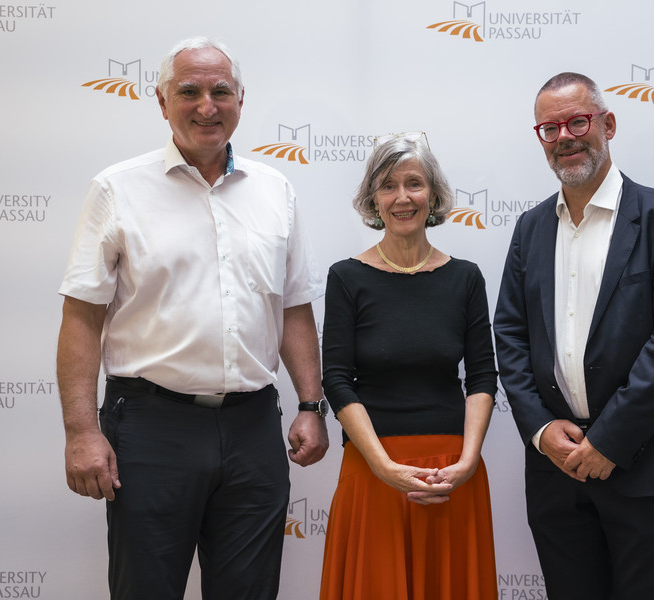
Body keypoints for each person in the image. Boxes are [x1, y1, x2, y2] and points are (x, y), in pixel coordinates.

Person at [56, 36, 329, 600]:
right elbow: (81, 317)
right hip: (153, 428)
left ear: (240, 99)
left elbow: (294, 306)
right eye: (190, 91)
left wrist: (309, 405)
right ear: (162, 102)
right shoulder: (116, 189)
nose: (207, 105)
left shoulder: (276, 191)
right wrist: (81, 432)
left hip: (254, 428)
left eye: (220, 91)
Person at [493, 72, 654, 600]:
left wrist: (609, 440)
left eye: (578, 121)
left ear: (607, 124)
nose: (565, 136)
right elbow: (511, 333)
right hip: (555, 465)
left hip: (643, 460)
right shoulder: (529, 228)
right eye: (550, 128)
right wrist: (540, 428)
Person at [318, 132, 499, 600]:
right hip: (373, 470)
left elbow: (481, 376)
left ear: (434, 195)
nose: (402, 197)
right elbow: (337, 380)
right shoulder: (346, 278)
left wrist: (467, 461)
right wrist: (383, 466)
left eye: (414, 184)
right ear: (372, 198)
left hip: (451, 473)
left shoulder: (465, 278)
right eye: (388, 185)